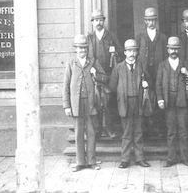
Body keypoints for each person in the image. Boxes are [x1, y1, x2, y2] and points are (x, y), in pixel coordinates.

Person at [62, 34, 108, 172]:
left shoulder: (93, 62)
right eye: (80, 48)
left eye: (85, 48)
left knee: (91, 132)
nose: (82, 50)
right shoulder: (71, 63)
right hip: (76, 104)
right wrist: (67, 105)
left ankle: (92, 161)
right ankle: (80, 162)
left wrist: (96, 75)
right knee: (78, 133)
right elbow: (65, 86)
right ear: (75, 49)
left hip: (90, 103)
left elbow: (104, 78)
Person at [109, 39, 152, 169]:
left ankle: (140, 158)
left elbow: (150, 81)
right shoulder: (119, 68)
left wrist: (146, 85)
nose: (132, 53)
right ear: (125, 52)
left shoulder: (142, 66)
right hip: (125, 103)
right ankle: (125, 160)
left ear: (137, 52)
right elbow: (112, 86)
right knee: (127, 132)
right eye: (129, 51)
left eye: (134, 50)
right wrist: (122, 93)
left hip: (139, 103)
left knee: (138, 131)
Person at [156, 36, 188, 167]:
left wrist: (187, 73)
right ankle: (171, 158)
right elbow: (158, 84)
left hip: (182, 101)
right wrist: (160, 99)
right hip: (168, 102)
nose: (173, 51)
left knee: (183, 131)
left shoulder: (184, 63)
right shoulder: (162, 65)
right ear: (167, 49)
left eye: (176, 49)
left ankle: (185, 158)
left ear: (179, 50)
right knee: (171, 131)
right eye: (171, 48)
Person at [87, 9, 123, 140]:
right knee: (96, 101)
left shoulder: (111, 36)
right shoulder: (89, 38)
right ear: (92, 22)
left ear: (104, 21)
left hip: (109, 74)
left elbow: (121, 51)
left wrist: (115, 52)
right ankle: (97, 130)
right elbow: (86, 56)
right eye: (96, 20)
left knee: (107, 103)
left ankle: (109, 129)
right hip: (95, 74)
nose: (98, 23)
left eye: (100, 20)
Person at [136, 7, 168, 136]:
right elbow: (136, 55)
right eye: (149, 20)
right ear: (145, 21)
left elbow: (166, 56)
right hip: (145, 71)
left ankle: (158, 126)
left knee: (159, 95)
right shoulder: (140, 37)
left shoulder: (163, 37)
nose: (151, 22)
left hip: (158, 71)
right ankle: (145, 126)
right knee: (145, 96)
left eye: (153, 20)